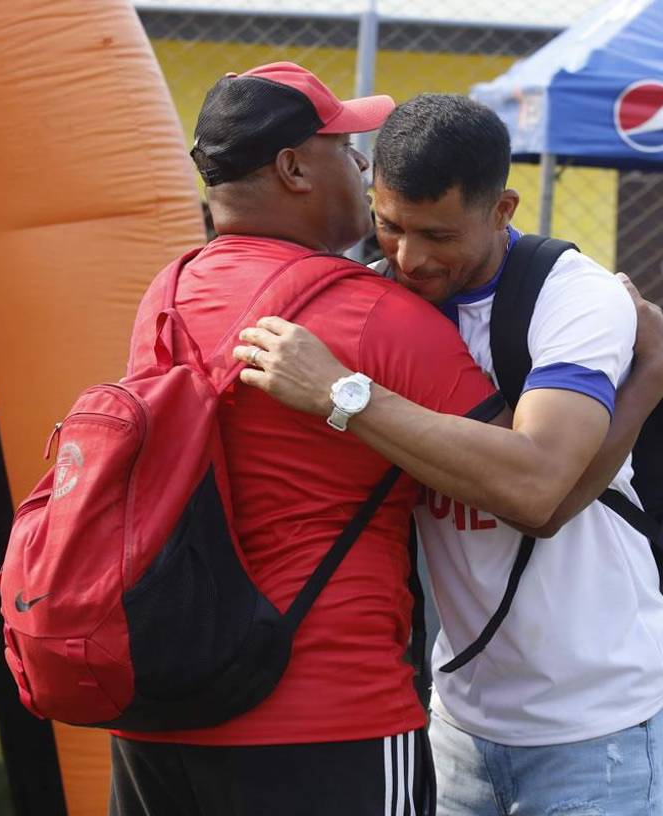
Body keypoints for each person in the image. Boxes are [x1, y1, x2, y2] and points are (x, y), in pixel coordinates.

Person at [235, 94, 663, 814]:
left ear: (503, 209)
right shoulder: (375, 296)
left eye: (439, 235)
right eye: (390, 226)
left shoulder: (573, 298)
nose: (410, 258)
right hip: (457, 724)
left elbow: (535, 493)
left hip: (604, 731)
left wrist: (344, 394)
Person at [107, 62, 502, 816]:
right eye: (345, 148)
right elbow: (523, 478)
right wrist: (643, 375)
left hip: (162, 703)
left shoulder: (167, 293)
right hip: (329, 717)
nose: (363, 167)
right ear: (293, 168)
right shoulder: (376, 315)